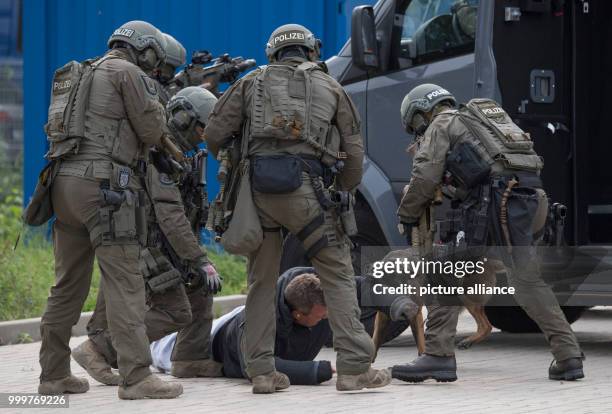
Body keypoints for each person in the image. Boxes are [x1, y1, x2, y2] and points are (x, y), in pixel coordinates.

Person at [203, 23, 391, 393]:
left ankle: (260, 371)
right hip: (310, 196)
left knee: (261, 283)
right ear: (311, 51)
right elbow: (353, 153)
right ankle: (354, 368)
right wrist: (343, 190)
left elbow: (213, 135)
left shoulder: (249, 83)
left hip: (257, 197)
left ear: (273, 52)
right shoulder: (332, 86)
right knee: (337, 275)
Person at [391, 83, 585, 383]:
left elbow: (424, 176)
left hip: (497, 205)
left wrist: (406, 213)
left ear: (420, 114)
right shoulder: (480, 120)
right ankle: (568, 356)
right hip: (534, 200)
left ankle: (438, 356)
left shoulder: (441, 123)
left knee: (441, 271)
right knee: (527, 282)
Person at [38, 20, 183, 399]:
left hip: (62, 184)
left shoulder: (81, 72)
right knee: (125, 283)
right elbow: (152, 131)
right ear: (147, 49)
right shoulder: (127, 72)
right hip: (105, 188)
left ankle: (52, 375)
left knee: (66, 286)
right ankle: (136, 377)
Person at [73, 85, 224, 385]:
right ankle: (98, 349)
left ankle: (190, 358)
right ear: (183, 120)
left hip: (159, 241)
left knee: (199, 287)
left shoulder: (178, 154)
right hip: (147, 244)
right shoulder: (158, 155)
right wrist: (199, 258)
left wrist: (196, 262)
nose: (204, 135)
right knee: (176, 311)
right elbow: (169, 214)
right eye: (201, 127)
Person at [151, 266, 418, 385]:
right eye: (321, 316)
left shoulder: (313, 287)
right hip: (214, 342)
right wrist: (321, 370)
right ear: (298, 316)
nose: (327, 319)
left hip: (244, 316)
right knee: (159, 350)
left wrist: (397, 303)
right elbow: (254, 366)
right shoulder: (257, 324)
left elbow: (359, 286)